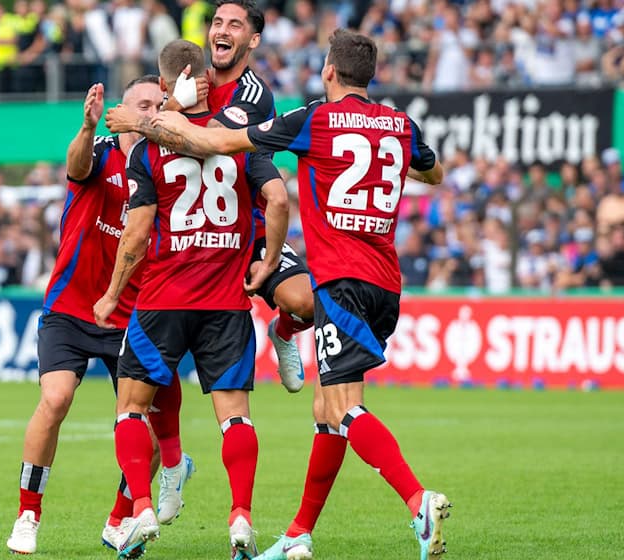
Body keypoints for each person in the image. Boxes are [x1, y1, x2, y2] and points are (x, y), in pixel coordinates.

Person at [149, 28, 452, 560]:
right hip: (386, 282)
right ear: (371, 75)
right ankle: (298, 533)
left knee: (344, 406)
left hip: (340, 282)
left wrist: (154, 118)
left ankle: (416, 500)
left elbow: (217, 142)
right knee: (324, 408)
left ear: (329, 71)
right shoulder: (400, 125)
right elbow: (435, 172)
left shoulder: (316, 118)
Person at [93, 39, 288, 560]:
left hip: (162, 298)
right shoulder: (234, 139)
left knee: (131, 411)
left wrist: (112, 294)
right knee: (236, 418)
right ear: (206, 79)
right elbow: (276, 197)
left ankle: (140, 509)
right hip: (226, 302)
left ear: (163, 86)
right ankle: (241, 517)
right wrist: (267, 262)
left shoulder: (149, 150)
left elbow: (135, 236)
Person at [5, 78, 192, 557]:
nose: (151, 111)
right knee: (56, 399)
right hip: (71, 307)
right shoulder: (103, 150)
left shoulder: (169, 165)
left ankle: (118, 520)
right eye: (142, 104)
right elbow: (76, 166)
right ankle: (28, 513)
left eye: (158, 103)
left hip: (133, 318)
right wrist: (86, 128)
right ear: (121, 110)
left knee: (146, 436)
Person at [106, 0, 314, 394]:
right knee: (152, 377)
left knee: (304, 302)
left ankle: (283, 331)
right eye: (218, 22)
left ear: (252, 40)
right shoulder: (189, 80)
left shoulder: (251, 93)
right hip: (188, 229)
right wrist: (170, 105)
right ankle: (171, 454)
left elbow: (205, 144)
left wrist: (144, 119)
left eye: (234, 25)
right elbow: (154, 143)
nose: (222, 30)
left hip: (244, 226)